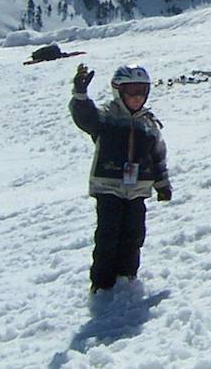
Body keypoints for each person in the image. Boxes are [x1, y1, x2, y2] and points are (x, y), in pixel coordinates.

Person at [71, 64, 173, 292]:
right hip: (109, 188)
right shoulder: (107, 118)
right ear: (118, 91)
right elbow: (85, 118)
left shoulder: (149, 125)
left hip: (137, 189)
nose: (137, 98)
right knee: (108, 235)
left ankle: (127, 276)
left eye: (142, 91)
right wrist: (80, 94)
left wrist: (162, 184)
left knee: (134, 234)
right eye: (131, 91)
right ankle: (102, 283)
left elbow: (158, 156)